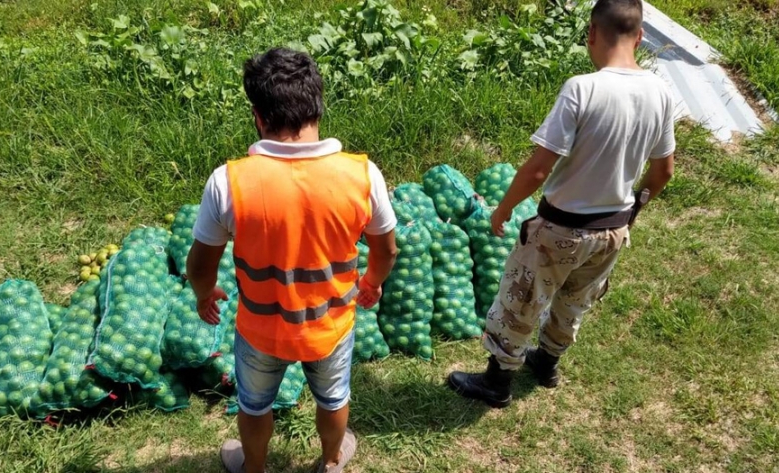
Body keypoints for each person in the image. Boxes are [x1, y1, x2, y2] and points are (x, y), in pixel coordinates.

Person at [447, 0, 676, 408]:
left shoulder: (582, 88)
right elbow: (662, 174)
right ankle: (547, 363)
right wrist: (633, 211)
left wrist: (502, 210)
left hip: (561, 228)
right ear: (640, 36)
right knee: (575, 300)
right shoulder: (661, 92)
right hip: (612, 229)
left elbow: (538, 169)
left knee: (521, 298)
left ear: (591, 32)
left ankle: (497, 382)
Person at [186, 47, 398, 473]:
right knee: (334, 397)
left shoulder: (230, 181)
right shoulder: (362, 174)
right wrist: (372, 281)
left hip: (261, 331)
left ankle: (254, 467)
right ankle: (332, 461)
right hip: (330, 327)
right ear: (318, 105)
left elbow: (200, 262)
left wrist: (204, 292)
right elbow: (386, 247)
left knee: (254, 404)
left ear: (258, 117)